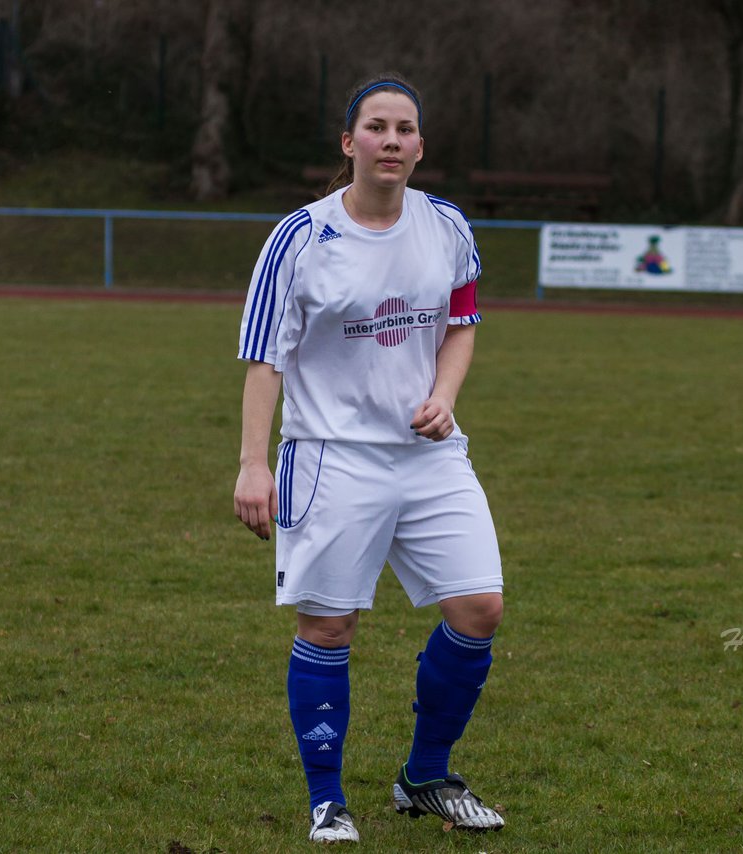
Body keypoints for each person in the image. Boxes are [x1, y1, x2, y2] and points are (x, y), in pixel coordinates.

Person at [233, 73, 505, 845]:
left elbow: (462, 320)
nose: (392, 141)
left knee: (479, 607)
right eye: (377, 127)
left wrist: (445, 396)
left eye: (405, 129)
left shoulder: (446, 226)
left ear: (422, 146)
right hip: (330, 456)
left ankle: (424, 776)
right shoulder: (301, 238)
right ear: (349, 143)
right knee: (330, 627)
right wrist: (255, 465)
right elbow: (264, 358)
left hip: (429, 456)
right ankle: (328, 801)